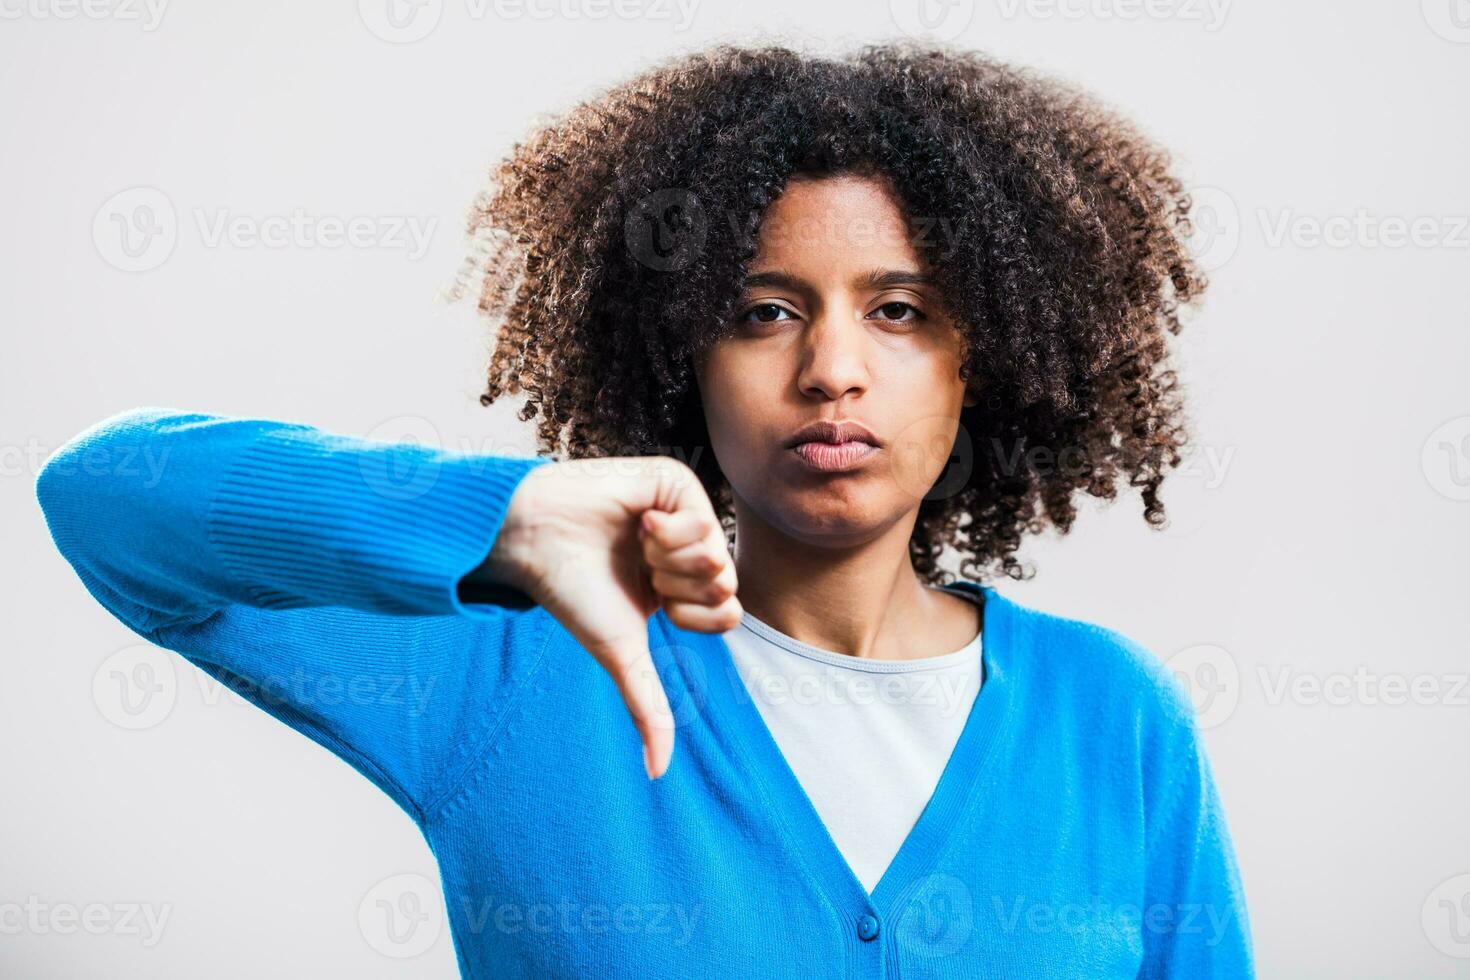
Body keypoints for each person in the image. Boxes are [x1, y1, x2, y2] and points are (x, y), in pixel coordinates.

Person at [36, 41, 1253, 979]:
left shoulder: (1116, 719)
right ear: (683, 358)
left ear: (979, 358)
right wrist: (502, 517)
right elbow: (108, 497)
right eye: (764, 311)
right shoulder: (517, 671)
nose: (832, 366)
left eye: (900, 310)